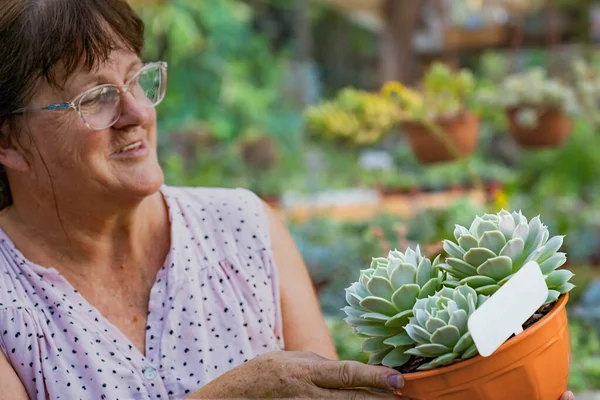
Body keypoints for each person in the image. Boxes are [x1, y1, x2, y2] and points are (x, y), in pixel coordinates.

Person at [0, 1, 577, 399]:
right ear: (9, 141)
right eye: (97, 98)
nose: (138, 113)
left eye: (137, 80)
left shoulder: (244, 229)